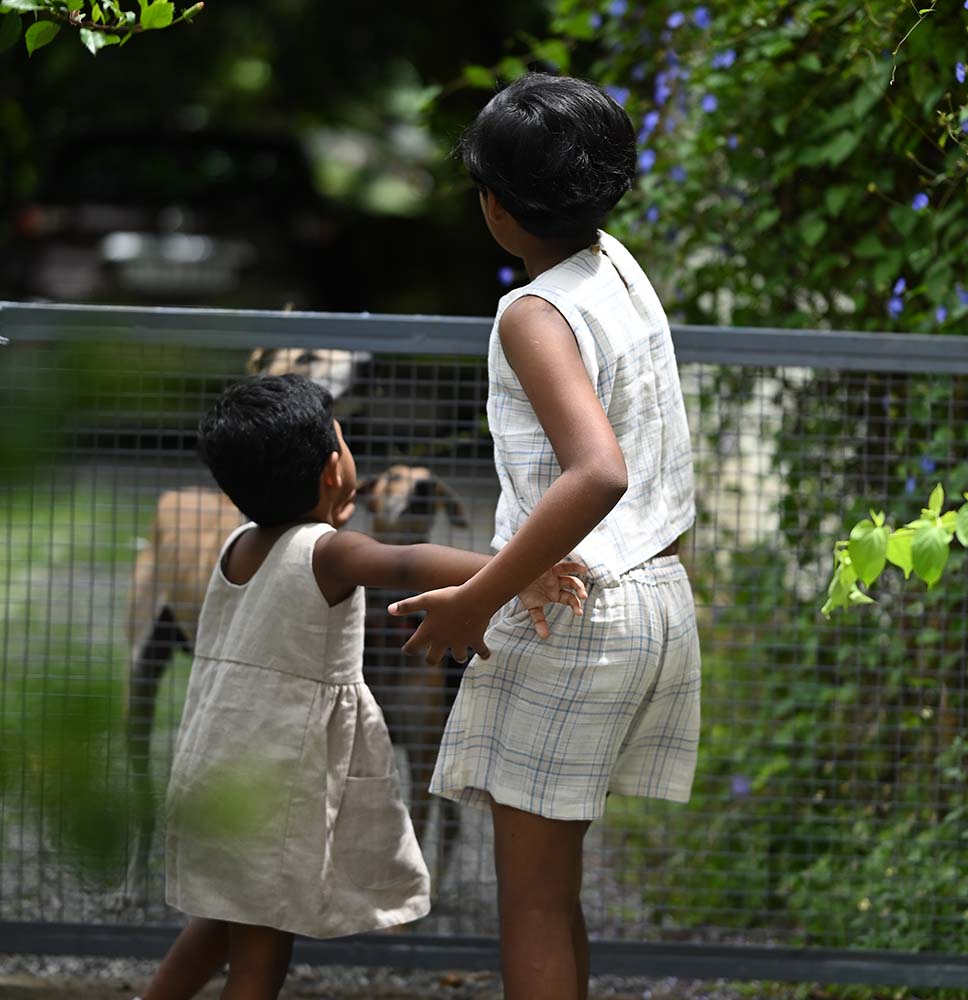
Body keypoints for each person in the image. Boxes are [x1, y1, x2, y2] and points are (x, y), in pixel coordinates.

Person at [387, 73, 701, 1000]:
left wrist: (473, 598)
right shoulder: (616, 265)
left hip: (573, 609)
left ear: (496, 206)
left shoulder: (535, 312)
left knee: (529, 906)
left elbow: (598, 472)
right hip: (656, 597)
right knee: (554, 897)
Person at [136, 373, 588, 1000]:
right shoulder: (326, 552)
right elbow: (407, 561)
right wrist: (518, 571)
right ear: (333, 470)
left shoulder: (237, 545)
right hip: (274, 780)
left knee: (220, 919)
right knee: (262, 951)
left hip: (214, 767)